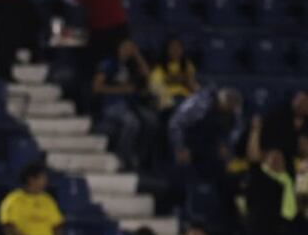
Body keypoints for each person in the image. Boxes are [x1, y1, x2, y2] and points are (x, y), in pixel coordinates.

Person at [0, 161, 94, 235]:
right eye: (42, 177)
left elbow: (57, 226)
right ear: (31, 179)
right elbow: (8, 228)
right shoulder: (13, 200)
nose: (45, 181)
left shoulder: (48, 200)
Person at [243, 115, 296, 235]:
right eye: (272, 156)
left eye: (279, 156)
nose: (277, 159)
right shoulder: (262, 175)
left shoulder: (288, 177)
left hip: (285, 230)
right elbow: (253, 156)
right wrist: (256, 131)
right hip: (264, 230)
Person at [93, 38, 158, 171]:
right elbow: (96, 87)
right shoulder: (109, 63)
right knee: (132, 122)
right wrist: (120, 89)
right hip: (112, 105)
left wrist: (137, 55)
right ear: (118, 48)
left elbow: (147, 74)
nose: (127, 51)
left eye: (131, 48)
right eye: (125, 47)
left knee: (151, 121)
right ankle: (120, 158)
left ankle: (138, 157)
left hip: (131, 104)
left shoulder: (131, 65)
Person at [43, 0, 129, 72]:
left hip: (107, 34)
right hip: (101, 31)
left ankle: (65, 74)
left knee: (60, 36)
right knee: (58, 31)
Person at [168, 85, 243, 175]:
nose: (228, 113)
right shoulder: (200, 103)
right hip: (189, 140)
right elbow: (176, 124)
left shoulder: (234, 113)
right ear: (222, 103)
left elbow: (235, 131)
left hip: (212, 145)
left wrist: (227, 146)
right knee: (183, 167)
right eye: (227, 109)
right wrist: (179, 147)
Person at [260, 90, 308, 175]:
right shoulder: (278, 115)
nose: (302, 105)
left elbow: (303, 145)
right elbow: (267, 142)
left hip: (293, 158)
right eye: (301, 101)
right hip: (272, 155)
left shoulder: (305, 121)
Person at [149, 36, 199, 112]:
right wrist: (178, 79)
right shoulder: (160, 67)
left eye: (178, 47)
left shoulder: (187, 65)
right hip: (170, 101)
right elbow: (155, 85)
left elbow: (192, 83)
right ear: (167, 50)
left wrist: (183, 80)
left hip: (186, 100)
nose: (176, 50)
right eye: (172, 47)